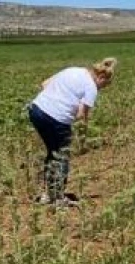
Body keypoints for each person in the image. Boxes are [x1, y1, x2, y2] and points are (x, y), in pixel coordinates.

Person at [29, 57, 117, 207]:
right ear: (101, 77)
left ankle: (47, 194)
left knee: (52, 152)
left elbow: (44, 84)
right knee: (62, 155)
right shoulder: (91, 87)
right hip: (58, 119)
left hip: (36, 111)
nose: (103, 88)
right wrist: (83, 137)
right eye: (105, 84)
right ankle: (57, 197)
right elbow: (81, 115)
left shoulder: (73, 70)